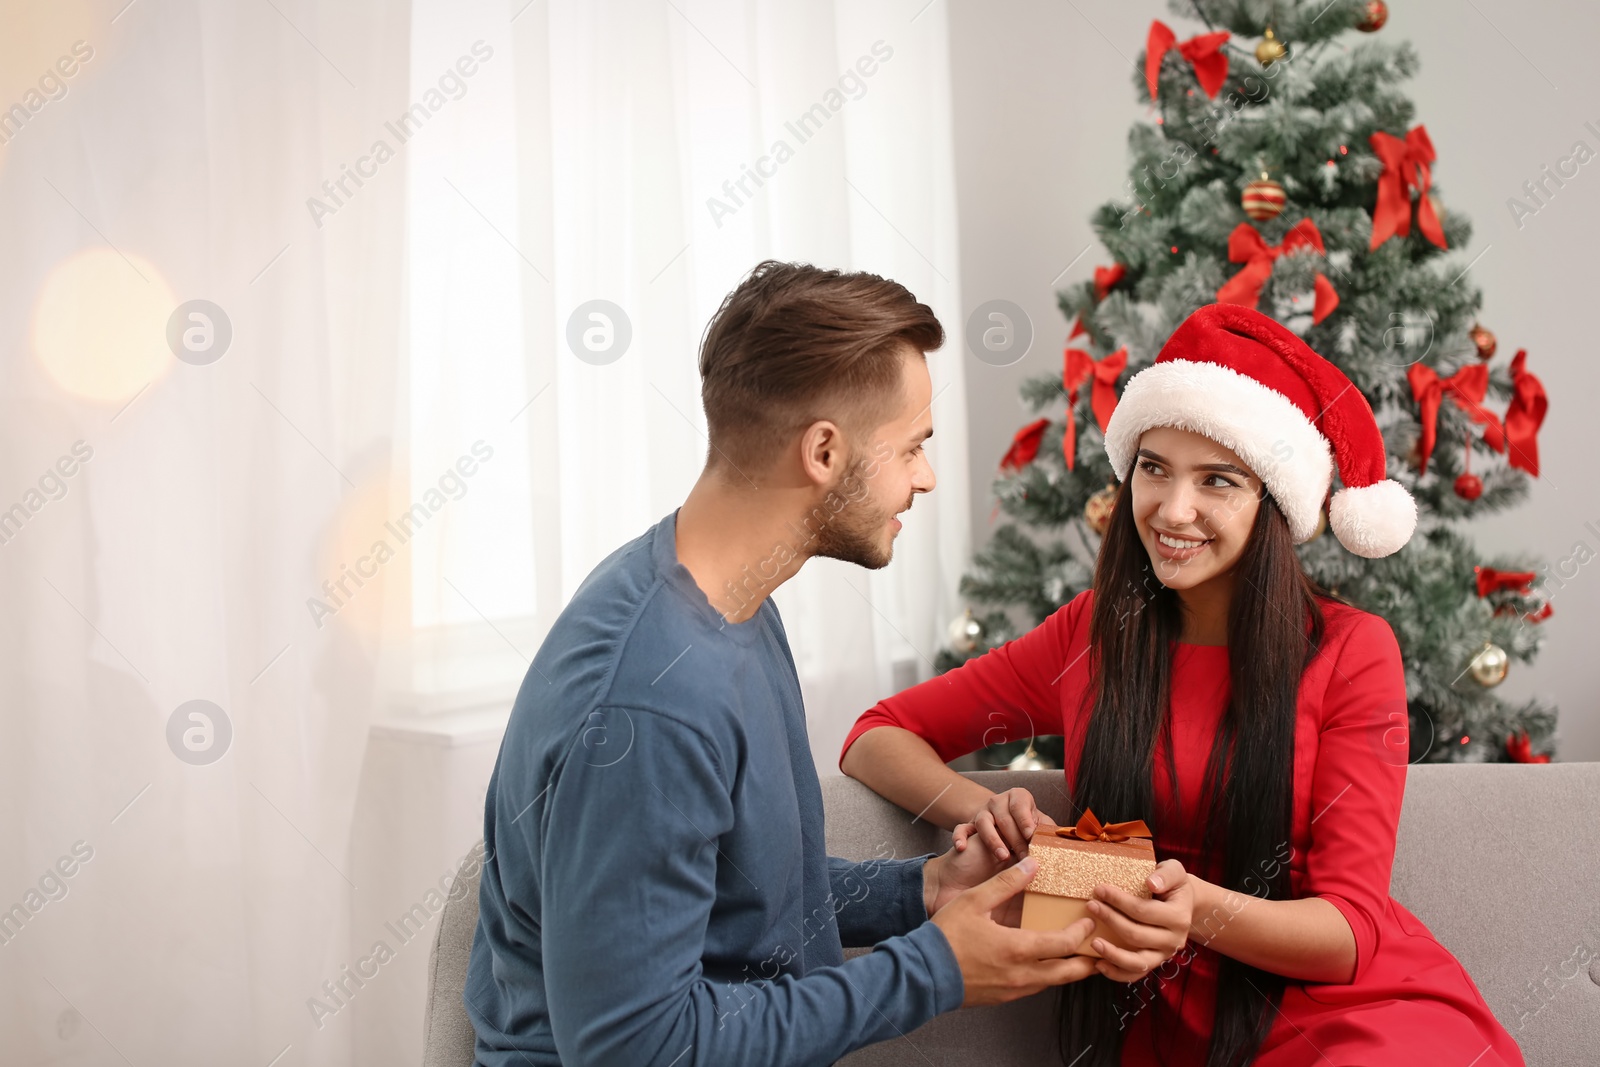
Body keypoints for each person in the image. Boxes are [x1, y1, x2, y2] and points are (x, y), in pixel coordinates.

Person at [464, 261, 1191, 1066]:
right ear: (822, 451)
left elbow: (744, 893)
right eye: (913, 446)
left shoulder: (730, 603)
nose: (927, 476)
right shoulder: (651, 701)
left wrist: (925, 890)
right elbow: (633, 1048)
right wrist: (934, 968)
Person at [840, 303, 1527, 1066]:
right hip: (1165, 1019)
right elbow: (875, 736)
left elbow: (1348, 938)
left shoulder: (1353, 650)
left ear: (1272, 501)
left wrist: (1191, 907)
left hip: (1352, 1019)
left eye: (1218, 481)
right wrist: (990, 812)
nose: (1173, 510)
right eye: (1155, 468)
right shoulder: (1092, 631)